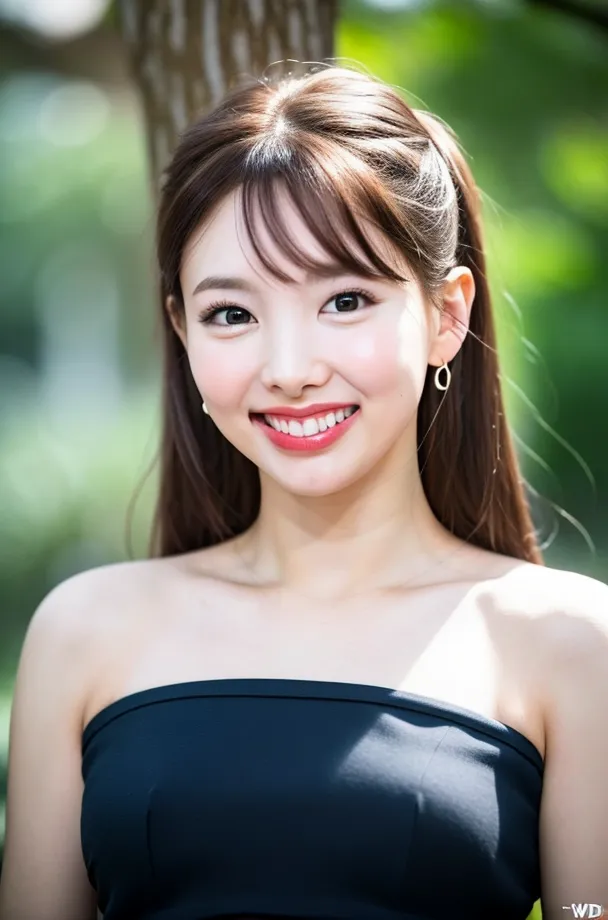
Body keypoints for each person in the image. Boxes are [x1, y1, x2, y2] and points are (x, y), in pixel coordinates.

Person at [1, 60, 607, 920]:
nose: (289, 371)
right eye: (232, 314)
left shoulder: (566, 642)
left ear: (446, 315)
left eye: (346, 299)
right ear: (181, 330)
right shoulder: (84, 633)